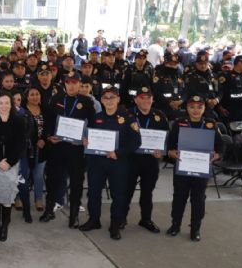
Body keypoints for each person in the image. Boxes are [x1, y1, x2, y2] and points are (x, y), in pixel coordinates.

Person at [79, 87, 141, 240]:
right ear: (101, 100)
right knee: (93, 193)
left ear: (118, 99)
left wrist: (118, 153)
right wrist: (86, 141)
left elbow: (136, 142)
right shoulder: (96, 117)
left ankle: (115, 225)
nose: (109, 100)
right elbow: (90, 136)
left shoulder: (128, 118)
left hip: (118, 163)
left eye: (112, 97)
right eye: (106, 98)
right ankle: (94, 220)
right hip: (97, 162)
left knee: (118, 195)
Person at [40, 74, 96, 227]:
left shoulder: (86, 101)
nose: (71, 86)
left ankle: (74, 215)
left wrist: (88, 137)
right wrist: (48, 136)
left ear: (79, 84)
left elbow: (93, 123)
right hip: (57, 147)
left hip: (76, 149)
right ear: (65, 84)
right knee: (52, 180)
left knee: (77, 183)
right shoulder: (57, 99)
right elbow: (48, 121)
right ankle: (49, 210)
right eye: (68, 83)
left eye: (75, 83)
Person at [166, 95, 222, 241]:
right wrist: (171, 152)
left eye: (199, 107)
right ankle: (175, 225)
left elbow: (220, 145)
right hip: (182, 168)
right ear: (187, 108)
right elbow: (170, 145)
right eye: (192, 107)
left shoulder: (211, 124)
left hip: (202, 169)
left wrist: (218, 154)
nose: (196, 110)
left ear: (204, 108)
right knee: (179, 197)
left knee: (198, 199)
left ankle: (195, 228)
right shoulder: (179, 123)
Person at [125, 86, 169, 233]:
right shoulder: (127, 114)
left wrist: (162, 152)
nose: (145, 100)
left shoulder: (160, 115)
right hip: (131, 160)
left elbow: (165, 138)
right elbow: (120, 136)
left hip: (151, 161)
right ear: (136, 99)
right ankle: (121, 218)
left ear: (152, 99)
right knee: (126, 191)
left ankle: (146, 219)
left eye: (148, 97)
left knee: (147, 192)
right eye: (142, 97)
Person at [0, 91, 26, 241]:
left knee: (7, 196)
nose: (4, 106)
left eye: (7, 103)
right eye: (0, 103)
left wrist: (9, 162)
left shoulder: (19, 121)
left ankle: (4, 226)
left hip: (11, 164)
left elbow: (21, 145)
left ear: (12, 104)